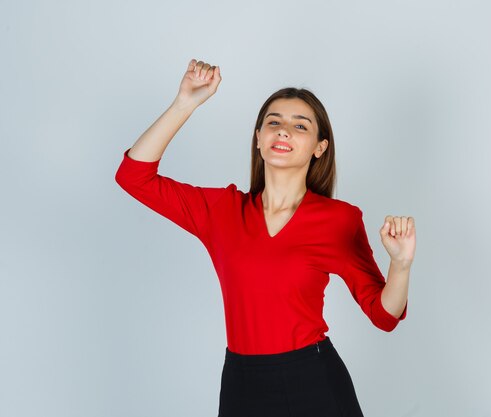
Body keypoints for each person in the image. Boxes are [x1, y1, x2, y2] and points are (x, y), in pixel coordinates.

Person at [115, 58, 415, 417]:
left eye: (299, 126)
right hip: (242, 383)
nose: (283, 130)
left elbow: (384, 315)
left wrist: (400, 264)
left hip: (314, 381)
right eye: (273, 122)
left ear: (320, 147)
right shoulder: (222, 211)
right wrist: (186, 102)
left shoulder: (339, 220)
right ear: (259, 138)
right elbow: (133, 176)